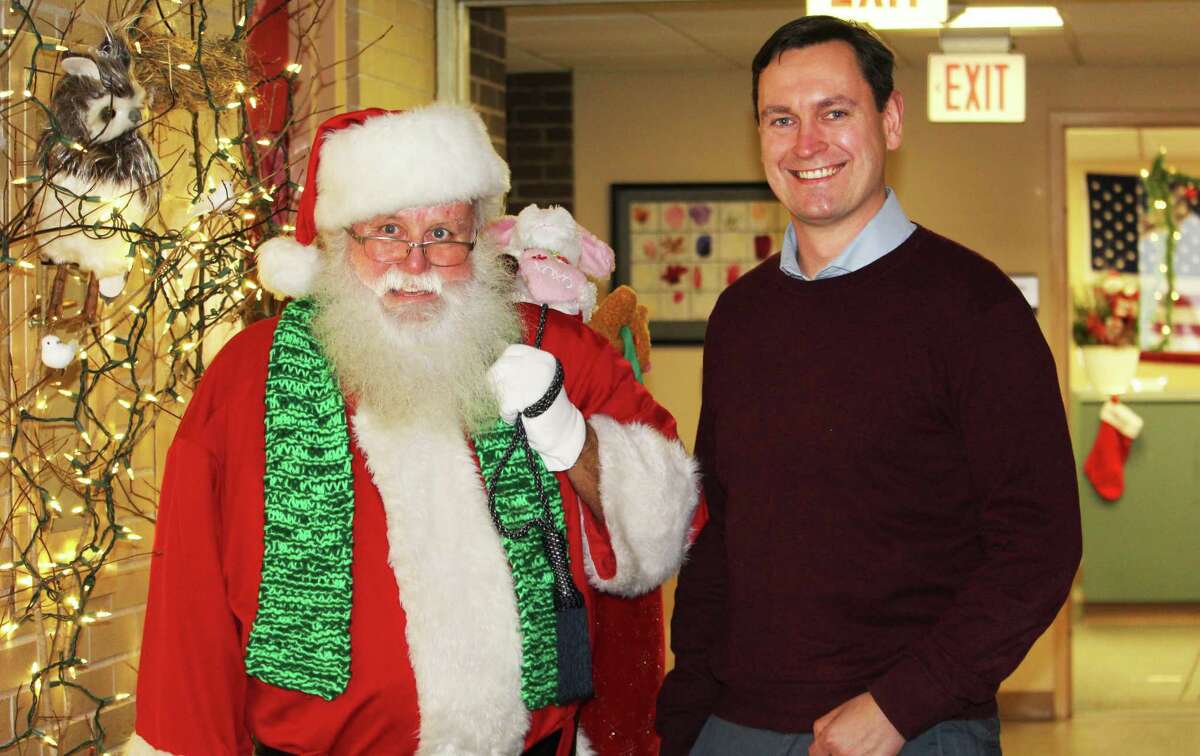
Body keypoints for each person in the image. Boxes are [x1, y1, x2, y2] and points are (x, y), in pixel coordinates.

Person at [129, 104, 700, 755]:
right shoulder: (247, 377)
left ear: (480, 242)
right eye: (388, 231)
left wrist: (574, 439)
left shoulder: (560, 351)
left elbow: (672, 524)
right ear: (340, 243)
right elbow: (190, 607)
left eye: (444, 234)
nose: (417, 261)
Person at [656, 16, 1081, 756]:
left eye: (834, 112)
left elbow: (1039, 544)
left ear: (889, 121)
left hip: (913, 728)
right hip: (735, 724)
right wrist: (685, 717)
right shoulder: (741, 316)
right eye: (781, 119)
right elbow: (720, 531)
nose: (806, 143)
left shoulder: (974, 308)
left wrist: (898, 706)